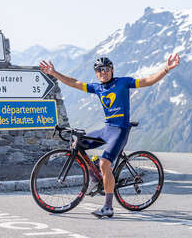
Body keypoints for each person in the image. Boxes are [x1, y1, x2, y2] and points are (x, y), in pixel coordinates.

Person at [39, 54, 180, 218]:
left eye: (105, 69)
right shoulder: (98, 88)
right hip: (107, 129)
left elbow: (147, 81)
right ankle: (94, 177)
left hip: (120, 130)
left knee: (105, 163)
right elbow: (74, 82)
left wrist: (166, 69)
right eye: (98, 70)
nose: (102, 72)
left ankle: (108, 207)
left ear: (112, 70)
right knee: (77, 144)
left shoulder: (123, 82)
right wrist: (55, 73)